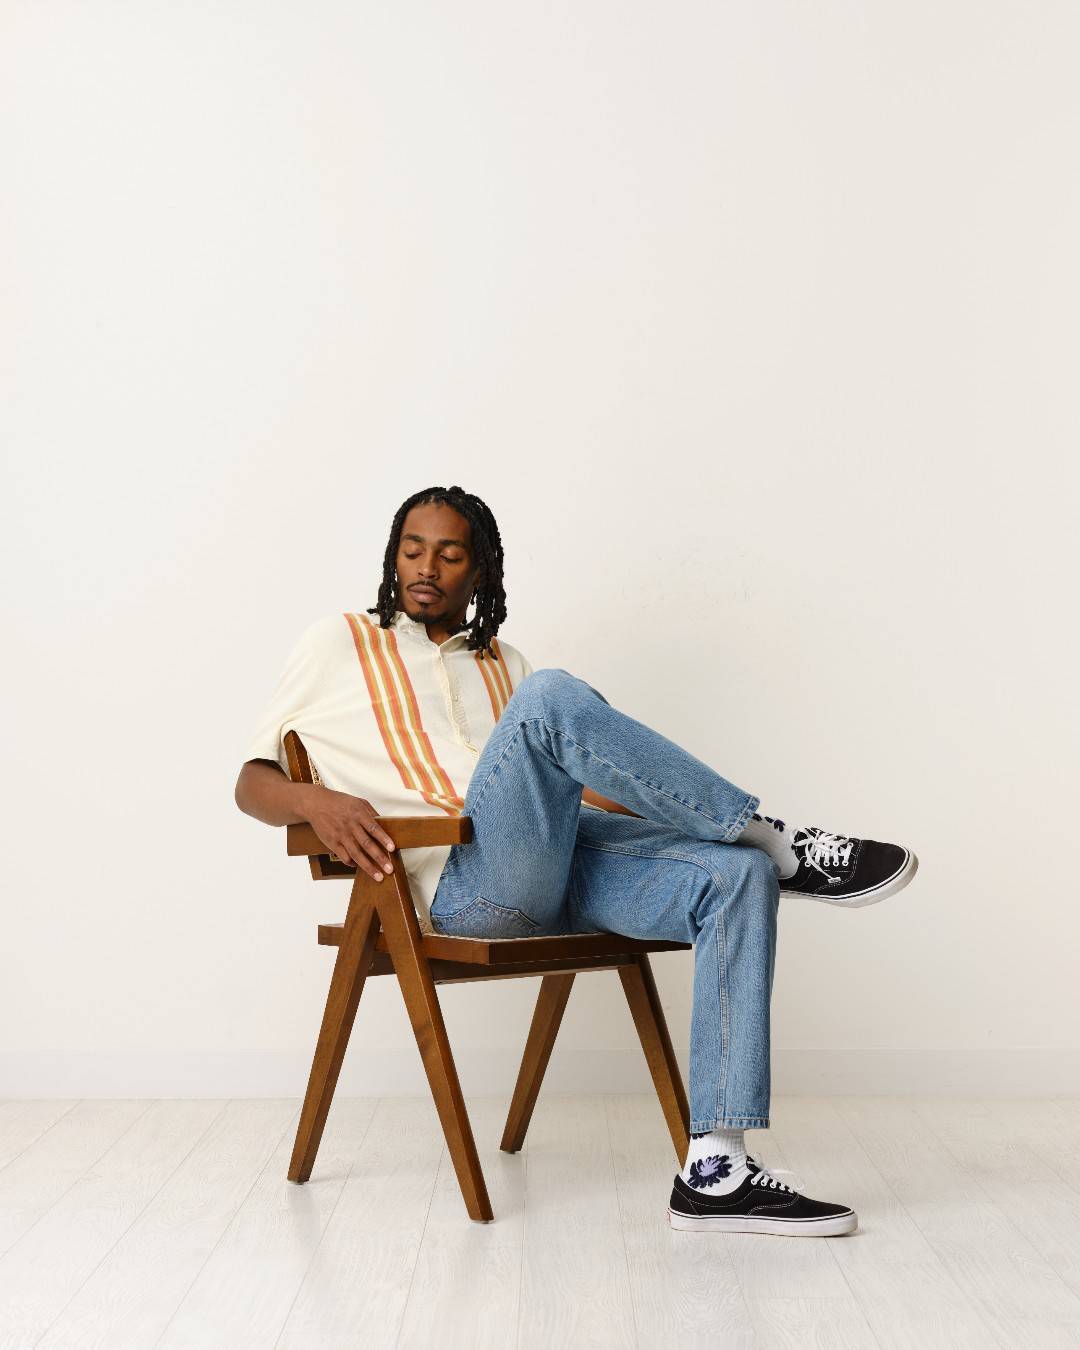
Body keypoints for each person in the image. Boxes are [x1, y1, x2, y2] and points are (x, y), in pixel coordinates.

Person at [234, 484, 918, 1238]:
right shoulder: (336, 642)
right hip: (464, 887)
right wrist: (315, 805)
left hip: (559, 858)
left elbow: (573, 780)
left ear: (482, 571)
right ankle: (779, 840)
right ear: (393, 557)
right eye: (412, 549)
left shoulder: (503, 660)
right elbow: (251, 781)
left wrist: (664, 806)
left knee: (734, 877)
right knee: (552, 693)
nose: (426, 567)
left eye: (450, 553)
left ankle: (716, 1170)